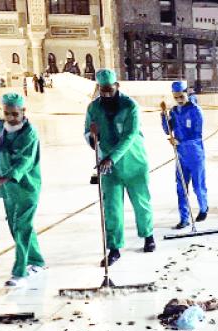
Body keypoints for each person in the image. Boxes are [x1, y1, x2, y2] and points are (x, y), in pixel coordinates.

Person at [84, 69, 155, 267]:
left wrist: (111, 158)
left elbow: (130, 136)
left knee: (141, 203)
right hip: (109, 167)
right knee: (112, 208)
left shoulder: (130, 105)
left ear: (117, 86)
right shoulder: (93, 108)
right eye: (102, 91)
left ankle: (148, 235)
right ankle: (114, 248)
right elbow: (86, 132)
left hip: (134, 163)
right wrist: (92, 138)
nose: (106, 94)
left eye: (110, 90)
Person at [0, 93, 45, 287]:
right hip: (8, 190)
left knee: (22, 227)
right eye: (7, 113)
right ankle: (36, 261)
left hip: (26, 187)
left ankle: (20, 272)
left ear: (23, 111)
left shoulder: (29, 132)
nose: (11, 118)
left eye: (14, 114)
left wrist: (2, 179)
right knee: (16, 227)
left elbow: (24, 162)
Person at [161, 80, 209, 229]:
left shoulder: (195, 111)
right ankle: (184, 218)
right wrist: (164, 116)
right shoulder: (174, 111)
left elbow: (196, 134)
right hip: (181, 156)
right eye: (175, 97)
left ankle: (203, 208)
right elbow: (167, 129)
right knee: (181, 188)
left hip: (195, 154)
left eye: (181, 96)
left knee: (197, 186)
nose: (179, 100)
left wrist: (179, 142)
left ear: (187, 93)